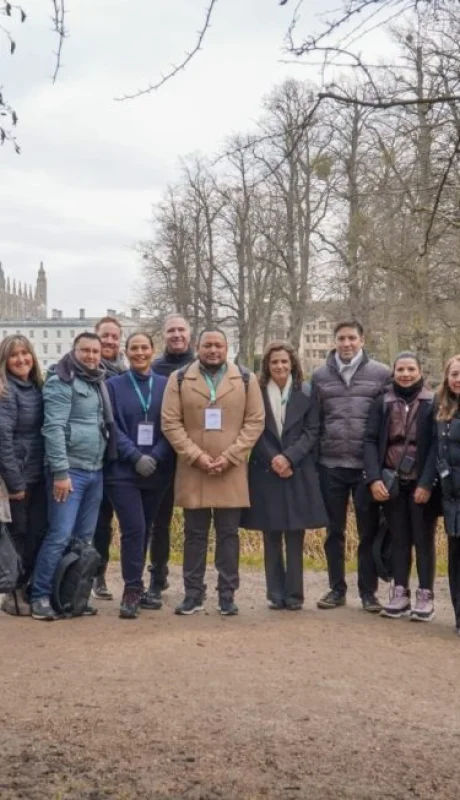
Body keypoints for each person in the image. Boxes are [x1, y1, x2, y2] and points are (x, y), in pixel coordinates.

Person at [161, 327, 265, 616]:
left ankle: (227, 594)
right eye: (207, 345)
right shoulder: (179, 378)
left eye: (218, 345)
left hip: (231, 469)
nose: (213, 350)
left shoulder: (246, 379)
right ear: (198, 346)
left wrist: (231, 456)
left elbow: (255, 421)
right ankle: (193, 593)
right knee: (194, 535)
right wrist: (196, 456)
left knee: (228, 534)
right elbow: (170, 422)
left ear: (226, 347)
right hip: (194, 469)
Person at [30, 332, 114, 621]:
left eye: (95, 351)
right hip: (70, 472)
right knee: (59, 535)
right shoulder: (61, 381)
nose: (91, 356)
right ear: (74, 351)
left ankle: (70, 595)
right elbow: (52, 428)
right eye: (85, 351)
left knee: (82, 540)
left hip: (95, 470)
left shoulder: (96, 382)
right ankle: (40, 595)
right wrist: (61, 472)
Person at [242, 341, 328, 610]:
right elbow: (252, 428)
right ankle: (275, 594)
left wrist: (289, 457)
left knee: (294, 534)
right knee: (271, 534)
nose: (279, 366)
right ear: (267, 366)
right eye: (274, 362)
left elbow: (313, 431)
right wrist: (273, 458)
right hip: (265, 469)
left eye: (284, 362)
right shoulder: (254, 391)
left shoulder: (308, 391)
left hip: (297, 469)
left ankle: (295, 595)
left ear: (293, 364)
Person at [312, 320, 391, 612]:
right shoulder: (320, 375)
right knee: (334, 531)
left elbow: (388, 419)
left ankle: (368, 592)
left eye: (352, 338)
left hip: (365, 467)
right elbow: (315, 420)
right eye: (341, 338)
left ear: (362, 340)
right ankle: (336, 588)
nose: (346, 344)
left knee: (368, 530)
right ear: (335, 341)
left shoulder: (381, 374)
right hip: (330, 464)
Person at [364, 352, 438, 620]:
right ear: (393, 372)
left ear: (420, 371)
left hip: (421, 484)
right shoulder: (382, 402)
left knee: (423, 539)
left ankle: (426, 594)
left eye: (410, 369)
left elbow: (435, 447)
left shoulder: (432, 402)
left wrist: (427, 483)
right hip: (391, 482)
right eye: (400, 369)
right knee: (399, 539)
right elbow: (370, 440)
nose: (405, 374)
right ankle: (399, 591)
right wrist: (373, 478)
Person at [105, 332, 173, 619]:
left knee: (145, 528)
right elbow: (111, 426)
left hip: (156, 471)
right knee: (133, 528)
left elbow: (173, 424)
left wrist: (155, 456)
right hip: (123, 471)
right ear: (126, 351)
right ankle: (132, 590)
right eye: (134, 348)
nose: (140, 352)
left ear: (153, 350)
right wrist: (134, 456)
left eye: (145, 347)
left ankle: (139, 585)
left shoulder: (166, 386)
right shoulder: (112, 386)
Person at [147, 314, 194, 601]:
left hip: (194, 454)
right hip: (163, 454)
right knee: (159, 521)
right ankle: (158, 576)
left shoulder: (202, 368)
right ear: (164, 335)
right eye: (171, 330)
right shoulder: (155, 369)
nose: (176, 335)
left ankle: (193, 581)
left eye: (181, 330)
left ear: (190, 334)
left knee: (195, 523)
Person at [0, 335, 46, 616]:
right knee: (19, 533)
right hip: (19, 475)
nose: (21, 360)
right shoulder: (5, 392)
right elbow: (3, 439)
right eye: (14, 356)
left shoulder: (35, 387)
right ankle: (14, 592)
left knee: (36, 531)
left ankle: (26, 584)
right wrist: (15, 482)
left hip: (39, 471)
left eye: (25, 354)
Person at [92, 316, 127, 601]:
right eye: (105, 336)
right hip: (94, 459)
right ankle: (96, 575)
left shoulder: (125, 373)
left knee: (120, 521)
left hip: (120, 458)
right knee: (98, 522)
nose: (110, 341)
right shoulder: (86, 370)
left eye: (114, 336)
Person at [434, 355, 460, 633]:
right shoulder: (441, 408)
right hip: (451, 493)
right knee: (455, 557)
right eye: (454, 374)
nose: (458, 379)